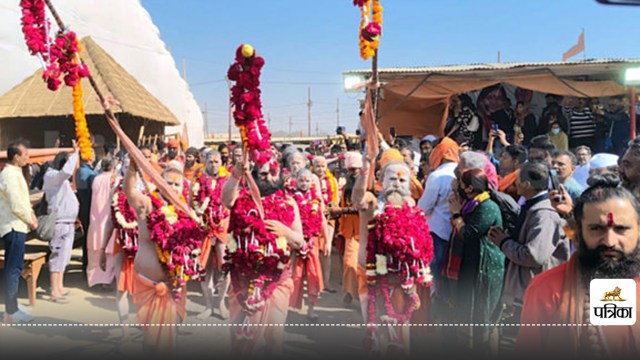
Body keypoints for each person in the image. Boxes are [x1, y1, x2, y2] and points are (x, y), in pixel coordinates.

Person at [518, 174, 640, 356]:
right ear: (578, 233)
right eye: (596, 229)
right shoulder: (547, 289)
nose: (609, 241)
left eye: (621, 229)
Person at [352, 151, 434, 355]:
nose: (397, 183)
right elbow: (358, 199)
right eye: (392, 178)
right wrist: (365, 168)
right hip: (372, 275)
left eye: (402, 179)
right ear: (381, 180)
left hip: (403, 279)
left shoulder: (412, 207)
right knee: (376, 330)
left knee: (401, 334)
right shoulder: (373, 203)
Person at [221, 158, 304, 355]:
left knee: (273, 338)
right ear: (255, 177)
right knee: (239, 339)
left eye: (273, 173)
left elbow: (300, 241)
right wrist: (235, 175)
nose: (269, 179)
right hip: (242, 280)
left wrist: (285, 231)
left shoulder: (289, 203)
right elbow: (225, 199)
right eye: (263, 174)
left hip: (277, 281)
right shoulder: (241, 200)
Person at [488, 161, 570, 354]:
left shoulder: (544, 214)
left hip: (534, 290)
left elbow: (534, 256)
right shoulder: (532, 207)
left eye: (517, 179)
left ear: (527, 184)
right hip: (525, 288)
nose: (514, 183)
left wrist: (504, 242)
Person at [124, 159, 205, 354]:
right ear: (160, 183)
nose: (173, 187)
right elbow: (130, 192)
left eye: (177, 184)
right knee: (151, 339)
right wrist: (132, 170)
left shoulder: (186, 212)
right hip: (149, 285)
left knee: (172, 336)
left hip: (175, 285)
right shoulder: (148, 205)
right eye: (168, 182)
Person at [447, 168, 504, 354]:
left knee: (483, 315)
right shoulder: (473, 204)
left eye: (462, 186)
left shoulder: (487, 207)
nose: (460, 190)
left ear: (470, 188)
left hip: (485, 269)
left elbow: (469, 234)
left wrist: (456, 215)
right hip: (472, 265)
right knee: (471, 313)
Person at [417, 137, 459, 299]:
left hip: (437, 233)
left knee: (432, 277)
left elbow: (423, 207)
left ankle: (430, 313)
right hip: (455, 232)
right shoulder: (460, 173)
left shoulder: (437, 176)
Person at [0, 141, 37, 323]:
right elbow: (16, 204)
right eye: (25, 155)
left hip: (17, 224)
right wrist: (30, 219)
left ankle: (11, 304)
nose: (27, 158)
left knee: (13, 267)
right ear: (16, 157)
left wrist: (30, 213)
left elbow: (22, 200)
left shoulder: (14, 173)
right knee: (13, 269)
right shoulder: (10, 175)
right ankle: (11, 312)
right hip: (14, 225)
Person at [191, 150, 231, 320]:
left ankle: (221, 303)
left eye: (217, 161)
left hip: (223, 228)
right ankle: (208, 306)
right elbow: (191, 204)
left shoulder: (228, 180)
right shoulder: (197, 182)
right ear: (205, 163)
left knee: (224, 268)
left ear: (221, 163)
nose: (214, 165)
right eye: (211, 161)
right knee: (205, 268)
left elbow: (234, 202)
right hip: (203, 229)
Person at [43, 143, 80, 303]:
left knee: (64, 257)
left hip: (68, 222)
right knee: (57, 256)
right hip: (60, 223)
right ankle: (54, 291)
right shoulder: (52, 176)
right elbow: (66, 172)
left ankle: (60, 287)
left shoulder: (59, 178)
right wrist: (75, 153)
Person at [289, 169, 326, 321]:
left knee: (312, 274)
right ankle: (286, 305)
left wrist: (328, 241)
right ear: (296, 181)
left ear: (312, 182)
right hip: (294, 241)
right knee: (293, 274)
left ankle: (311, 308)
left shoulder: (316, 200)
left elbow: (322, 218)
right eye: (301, 180)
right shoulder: (291, 198)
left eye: (307, 181)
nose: (304, 184)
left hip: (312, 241)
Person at [86, 156, 119, 291]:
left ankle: (95, 280)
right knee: (109, 250)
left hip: (95, 217)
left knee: (95, 249)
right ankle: (107, 280)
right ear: (114, 167)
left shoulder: (96, 179)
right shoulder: (115, 180)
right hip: (108, 219)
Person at [312, 156, 338, 293]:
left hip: (328, 218)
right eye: (318, 166)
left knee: (327, 250)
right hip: (314, 217)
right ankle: (316, 281)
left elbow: (336, 199)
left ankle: (326, 282)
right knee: (315, 250)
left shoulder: (332, 181)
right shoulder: (309, 179)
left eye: (323, 166)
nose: (320, 169)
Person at [76, 149, 98, 276]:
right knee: (90, 238)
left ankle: (86, 264)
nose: (94, 155)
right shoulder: (88, 173)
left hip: (84, 207)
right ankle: (87, 265)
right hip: (89, 207)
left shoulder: (81, 170)